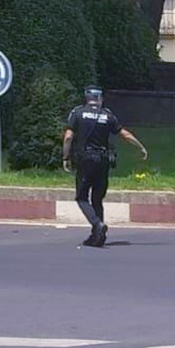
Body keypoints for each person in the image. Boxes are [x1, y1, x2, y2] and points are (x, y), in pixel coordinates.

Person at [62, 86, 147, 247]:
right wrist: (140, 147)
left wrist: (66, 157)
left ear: (86, 98)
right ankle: (97, 237)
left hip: (85, 160)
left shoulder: (78, 113)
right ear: (100, 99)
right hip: (103, 161)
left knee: (81, 197)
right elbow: (124, 134)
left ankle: (97, 225)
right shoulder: (107, 115)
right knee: (97, 199)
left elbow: (68, 137)